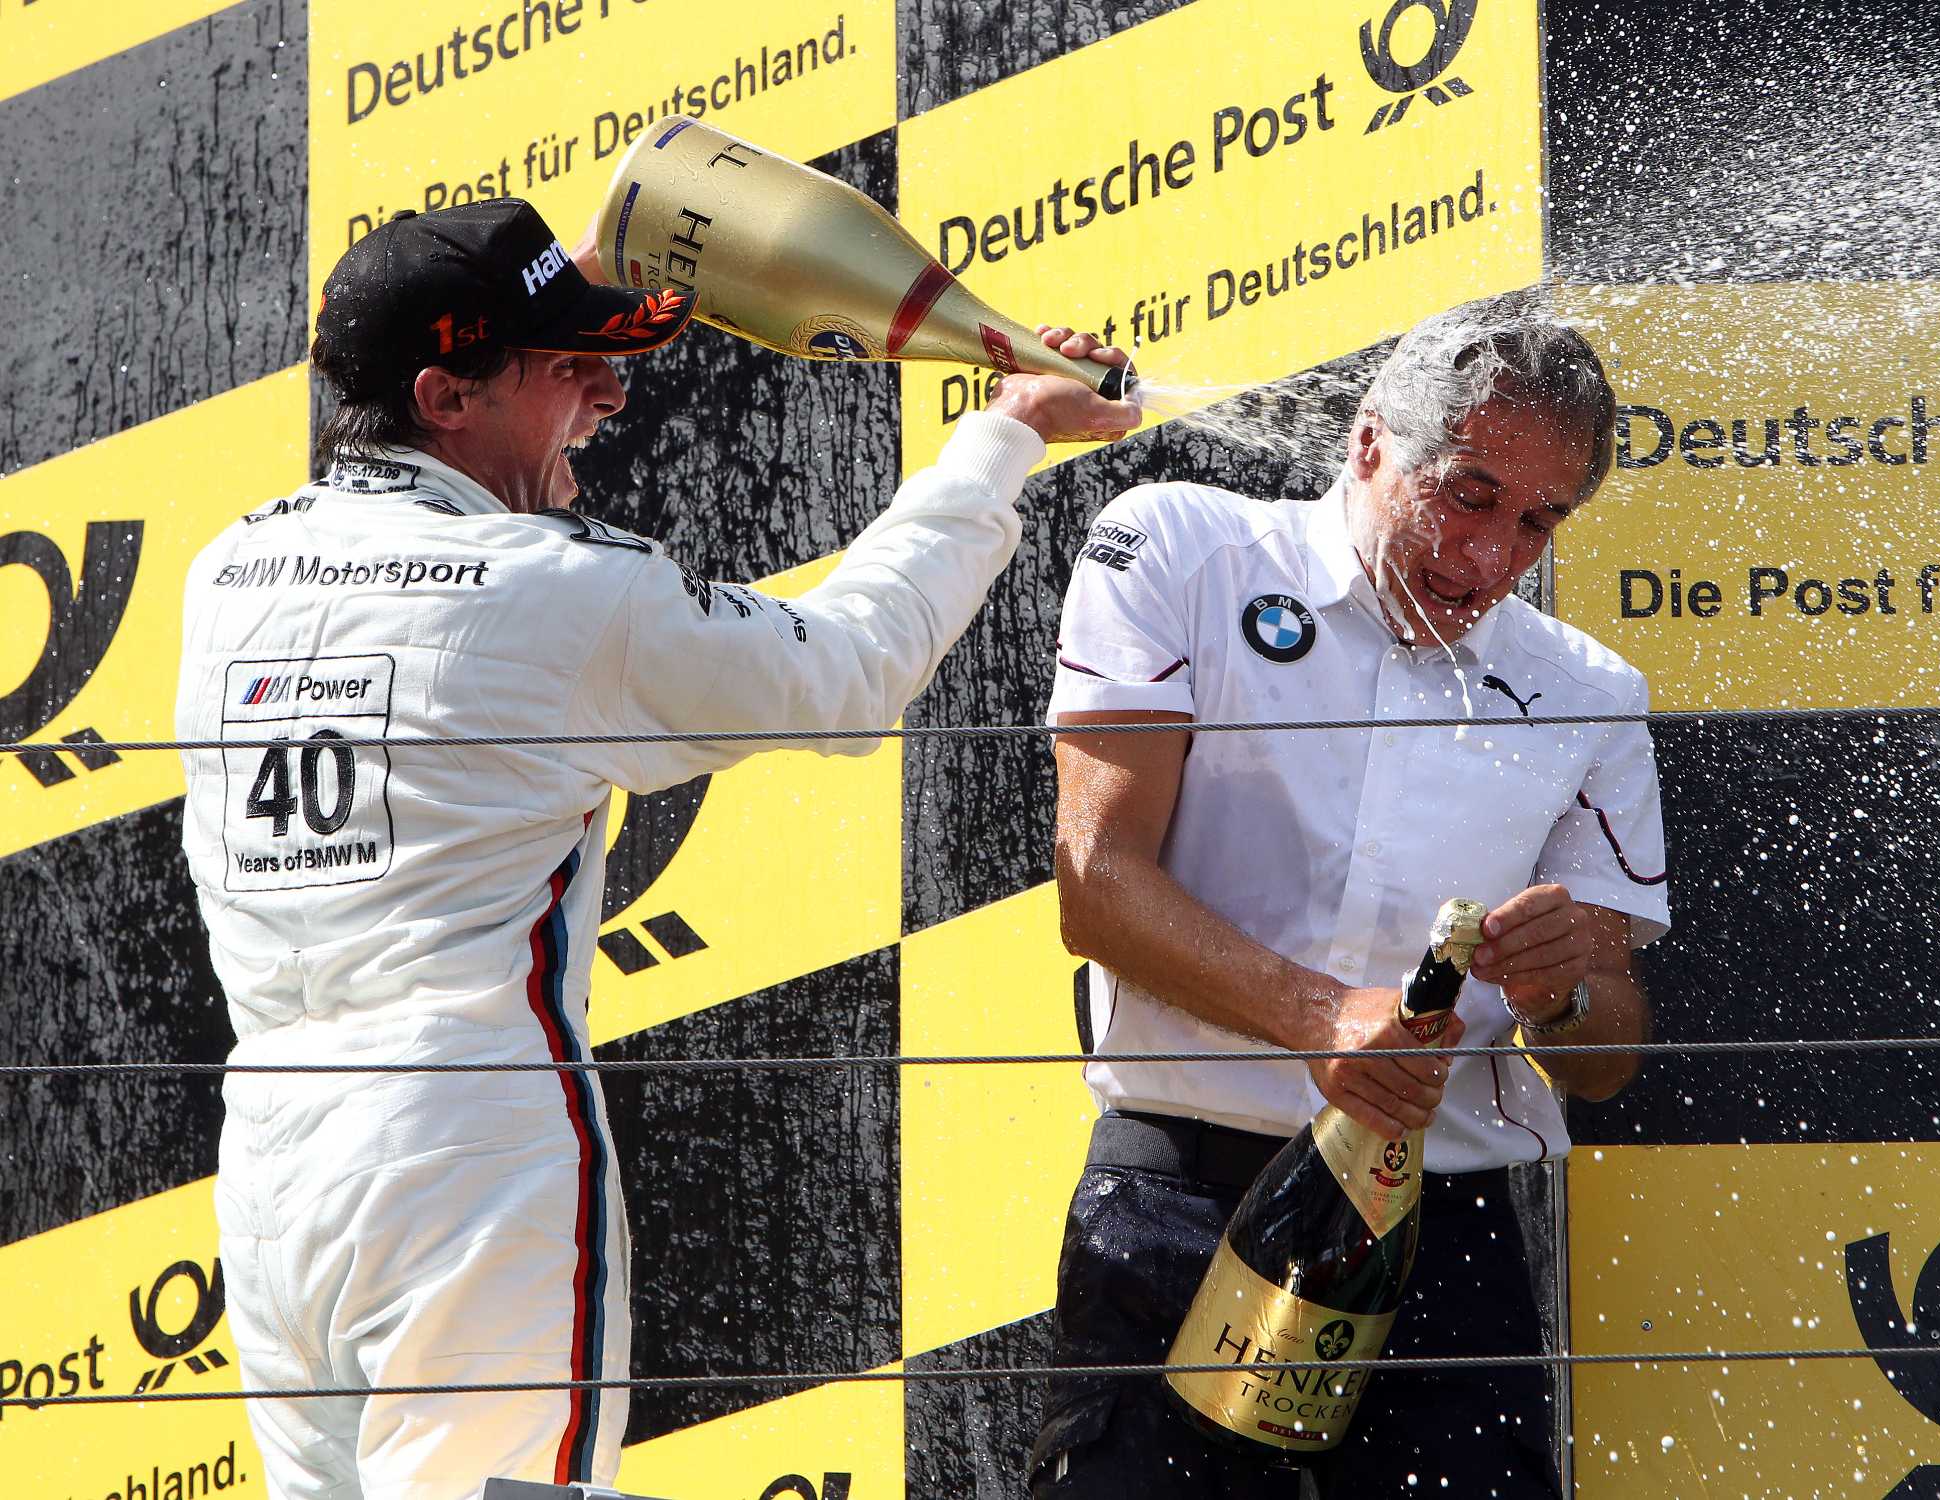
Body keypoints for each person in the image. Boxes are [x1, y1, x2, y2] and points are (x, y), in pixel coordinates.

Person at [174, 197, 1138, 1500]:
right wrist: (998, 440)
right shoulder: (555, 592)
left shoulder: (226, 571)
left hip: (273, 1173)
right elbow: (847, 675)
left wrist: (554, 274)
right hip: (462, 1151)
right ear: (445, 398)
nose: (606, 396)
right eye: (566, 366)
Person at [1034, 292, 1669, 1497]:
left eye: (1541, 521)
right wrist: (1324, 1019)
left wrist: (1559, 998)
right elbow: (1096, 887)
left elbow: (1606, 1054)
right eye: (1470, 493)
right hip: (1182, 1190)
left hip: (1454, 1225)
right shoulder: (1180, 544)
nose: (1491, 557)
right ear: (1371, 442)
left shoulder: (1588, 688)